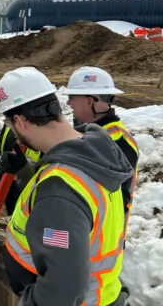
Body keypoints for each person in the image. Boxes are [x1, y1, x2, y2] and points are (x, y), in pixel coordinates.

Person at [0, 67, 133, 306]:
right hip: (100, 294)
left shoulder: (60, 190)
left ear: (19, 121)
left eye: (11, 125)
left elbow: (62, 291)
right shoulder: (92, 152)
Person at [62, 66, 139, 239]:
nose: (68, 103)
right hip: (86, 231)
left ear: (90, 101)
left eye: (71, 97)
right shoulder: (92, 133)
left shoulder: (116, 141)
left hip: (101, 238)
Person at [0, 124, 43, 216]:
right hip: (9, 179)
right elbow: (5, 143)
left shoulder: (42, 126)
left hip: (29, 184)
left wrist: (28, 165)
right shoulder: (10, 121)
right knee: (11, 211)